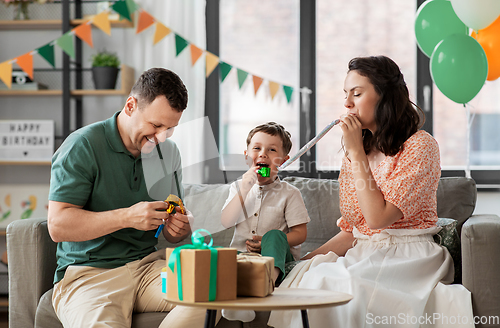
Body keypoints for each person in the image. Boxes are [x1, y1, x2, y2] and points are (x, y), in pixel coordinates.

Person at [267, 56, 474, 328]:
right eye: (346, 94)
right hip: (364, 254)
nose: (347, 103)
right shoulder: (357, 152)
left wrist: (355, 154)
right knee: (312, 279)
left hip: (409, 258)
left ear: (385, 97)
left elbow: (378, 219)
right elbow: (355, 230)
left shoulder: (420, 146)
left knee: (343, 285)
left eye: (357, 93)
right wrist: (304, 261)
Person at [47, 67, 194, 328]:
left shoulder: (168, 153)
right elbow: (57, 226)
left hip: (148, 268)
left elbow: (171, 233)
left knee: (216, 297)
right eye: (156, 125)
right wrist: (128, 217)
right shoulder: (82, 146)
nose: (161, 137)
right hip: (91, 275)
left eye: (170, 129)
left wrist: (177, 229)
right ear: (130, 105)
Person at [220, 122, 310, 322]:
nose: (263, 154)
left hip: (278, 263)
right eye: (257, 148)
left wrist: (269, 241)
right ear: (246, 156)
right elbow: (226, 221)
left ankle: (265, 284)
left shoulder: (290, 193)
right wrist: (244, 189)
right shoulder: (237, 188)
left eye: (271, 150)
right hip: (244, 258)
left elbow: (300, 234)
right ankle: (240, 294)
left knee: (273, 235)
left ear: (284, 161)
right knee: (221, 257)